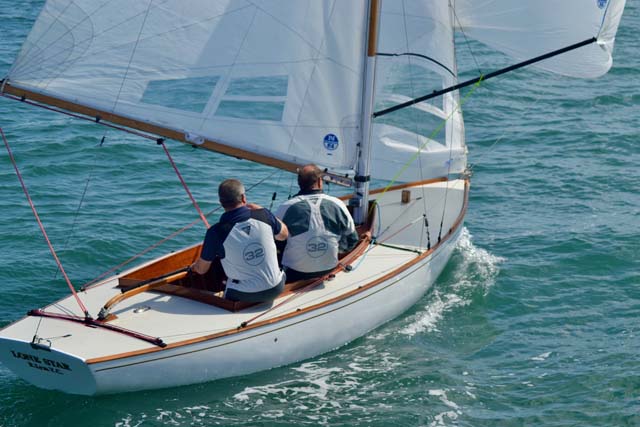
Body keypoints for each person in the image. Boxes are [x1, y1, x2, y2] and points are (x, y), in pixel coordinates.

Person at [191, 179, 288, 302]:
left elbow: (202, 270)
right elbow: (283, 235)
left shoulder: (215, 232)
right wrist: (264, 211)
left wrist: (194, 267)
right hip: (277, 287)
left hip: (242, 295)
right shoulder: (264, 215)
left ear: (221, 202)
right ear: (243, 198)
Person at [275, 164, 358, 282]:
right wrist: (333, 250)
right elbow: (352, 240)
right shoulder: (338, 204)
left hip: (295, 272)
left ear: (299, 183)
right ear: (320, 181)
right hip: (329, 268)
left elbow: (275, 243)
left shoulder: (285, 207)